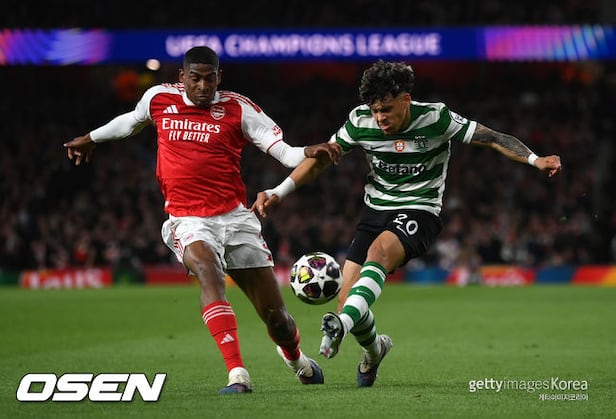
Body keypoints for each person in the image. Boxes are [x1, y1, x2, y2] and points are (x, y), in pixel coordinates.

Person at [253, 60, 562, 387]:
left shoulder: (436, 118)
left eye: (386, 109)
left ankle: (340, 325)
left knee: (378, 253)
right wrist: (279, 191)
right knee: (349, 300)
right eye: (375, 111)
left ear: (406, 100)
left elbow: (492, 138)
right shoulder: (359, 122)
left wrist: (535, 159)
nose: (380, 118)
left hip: (420, 209)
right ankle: (374, 350)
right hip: (375, 211)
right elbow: (321, 160)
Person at [64, 46, 341, 395]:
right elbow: (130, 122)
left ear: (219, 78)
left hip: (236, 220)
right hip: (188, 219)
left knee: (277, 320)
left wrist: (307, 151)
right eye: (195, 78)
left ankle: (296, 359)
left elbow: (284, 152)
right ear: (182, 77)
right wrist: (91, 138)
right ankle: (237, 374)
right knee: (209, 273)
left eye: (210, 79)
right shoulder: (159, 99)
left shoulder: (238, 108)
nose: (203, 86)